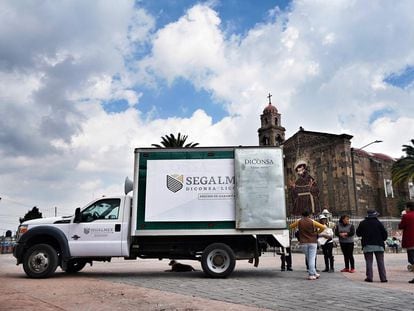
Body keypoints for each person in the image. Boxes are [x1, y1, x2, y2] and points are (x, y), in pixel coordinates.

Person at [290, 210, 326, 280]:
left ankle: (314, 272)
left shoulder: (299, 221)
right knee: (312, 259)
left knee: (308, 258)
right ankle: (311, 274)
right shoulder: (312, 221)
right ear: (309, 215)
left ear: (302, 215)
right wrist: (317, 232)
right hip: (312, 241)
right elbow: (323, 227)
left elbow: (290, 226)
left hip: (303, 242)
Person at [356, 209, 388, 283]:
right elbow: (385, 235)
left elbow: (358, 233)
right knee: (381, 262)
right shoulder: (379, 223)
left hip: (367, 245)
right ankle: (383, 278)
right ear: (375, 215)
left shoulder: (362, 223)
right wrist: (381, 239)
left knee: (369, 261)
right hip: (379, 245)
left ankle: (369, 277)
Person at [398, 200, 414, 284]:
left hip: (411, 241)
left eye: (405, 207)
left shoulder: (406, 216)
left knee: (412, 259)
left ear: (408, 208)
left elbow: (401, 226)